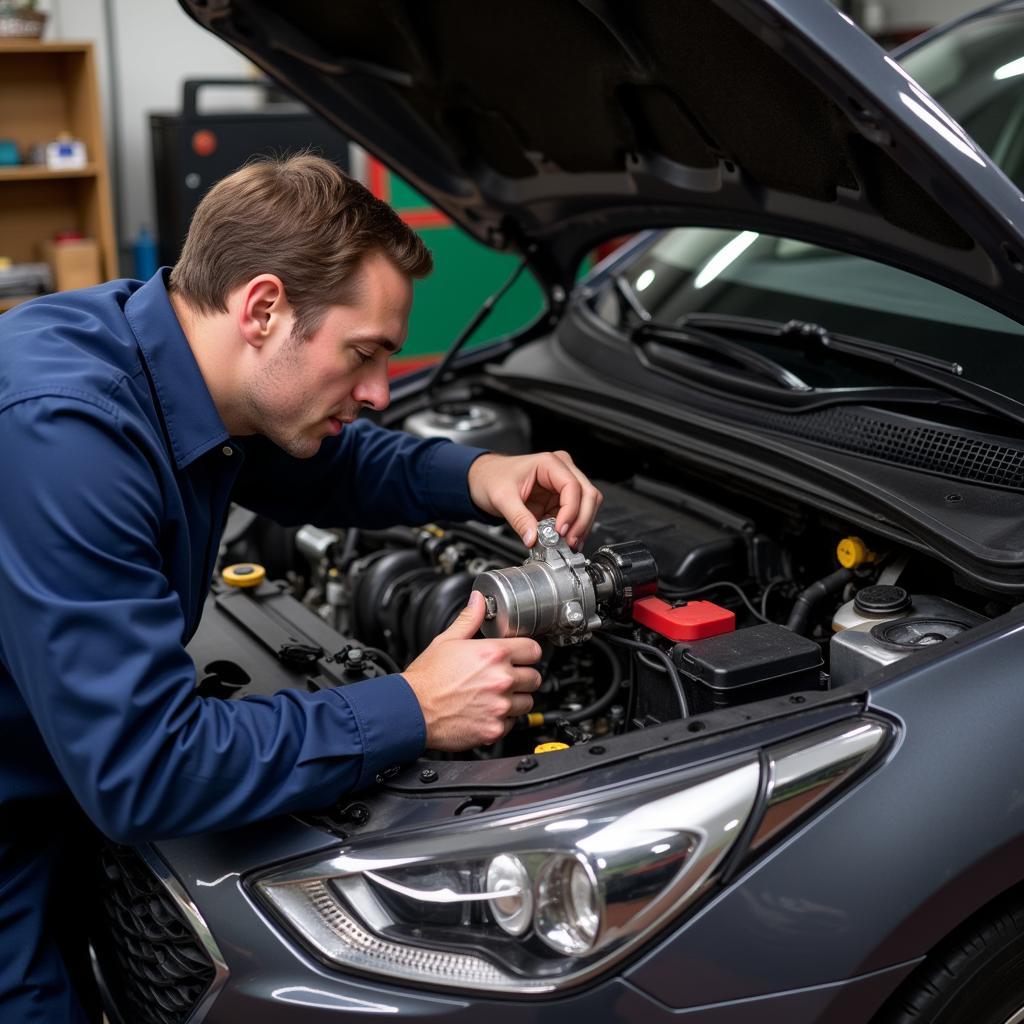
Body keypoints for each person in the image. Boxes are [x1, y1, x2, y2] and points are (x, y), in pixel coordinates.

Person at [0, 154, 603, 1023]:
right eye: (364, 354)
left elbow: (320, 464)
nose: (377, 391)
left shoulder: (165, 351)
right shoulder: (69, 438)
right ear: (264, 308)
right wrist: (412, 706)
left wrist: (477, 474)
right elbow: (144, 771)